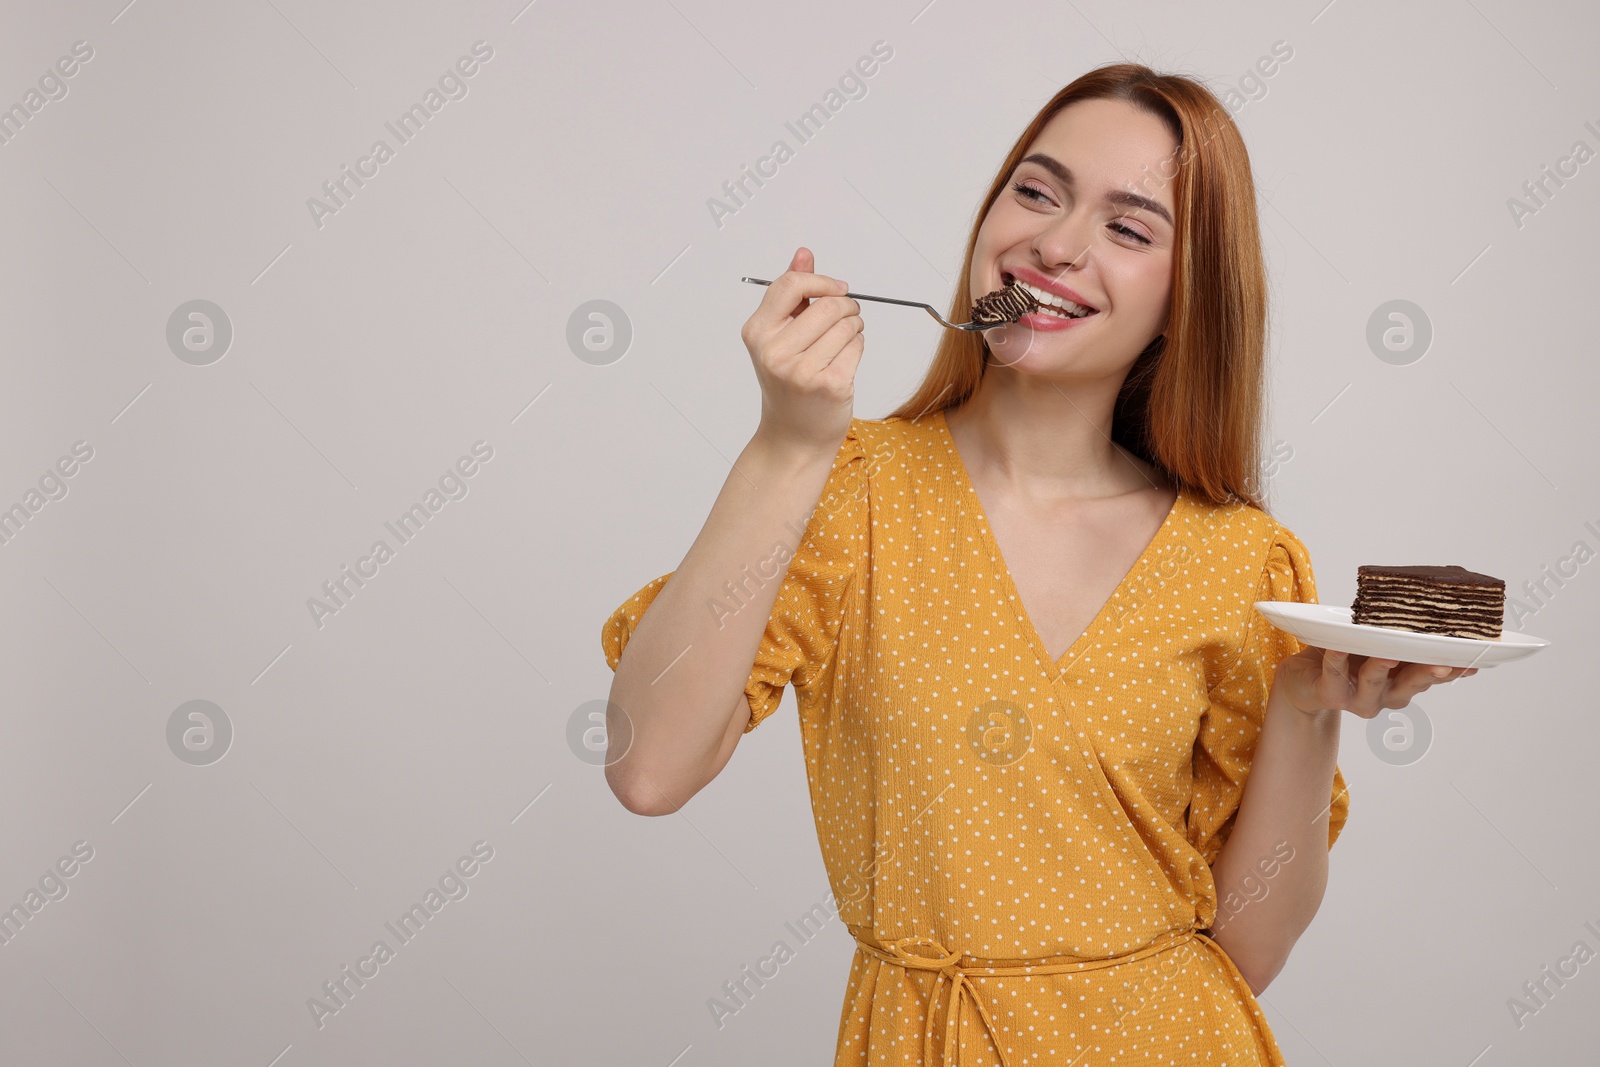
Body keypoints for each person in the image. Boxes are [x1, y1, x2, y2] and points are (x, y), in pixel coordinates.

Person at [600, 62, 1478, 1067]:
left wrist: (1307, 703)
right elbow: (648, 766)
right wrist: (786, 446)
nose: (1055, 245)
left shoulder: (1241, 560)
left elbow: (1248, 949)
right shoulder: (851, 492)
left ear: (1186, 299)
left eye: (1129, 226)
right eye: (1036, 189)